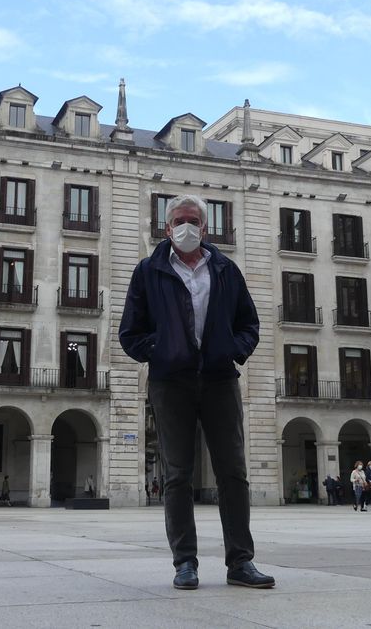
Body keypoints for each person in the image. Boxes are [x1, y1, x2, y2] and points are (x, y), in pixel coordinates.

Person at [119, 195, 274, 591]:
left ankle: (241, 562)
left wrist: (234, 351)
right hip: (171, 382)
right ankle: (184, 563)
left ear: (205, 228)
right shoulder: (148, 271)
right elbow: (130, 332)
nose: (185, 227)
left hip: (221, 379)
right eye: (177, 221)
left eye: (192, 220)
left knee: (233, 472)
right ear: (166, 227)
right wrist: (161, 351)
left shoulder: (225, 269)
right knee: (178, 474)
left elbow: (249, 323)